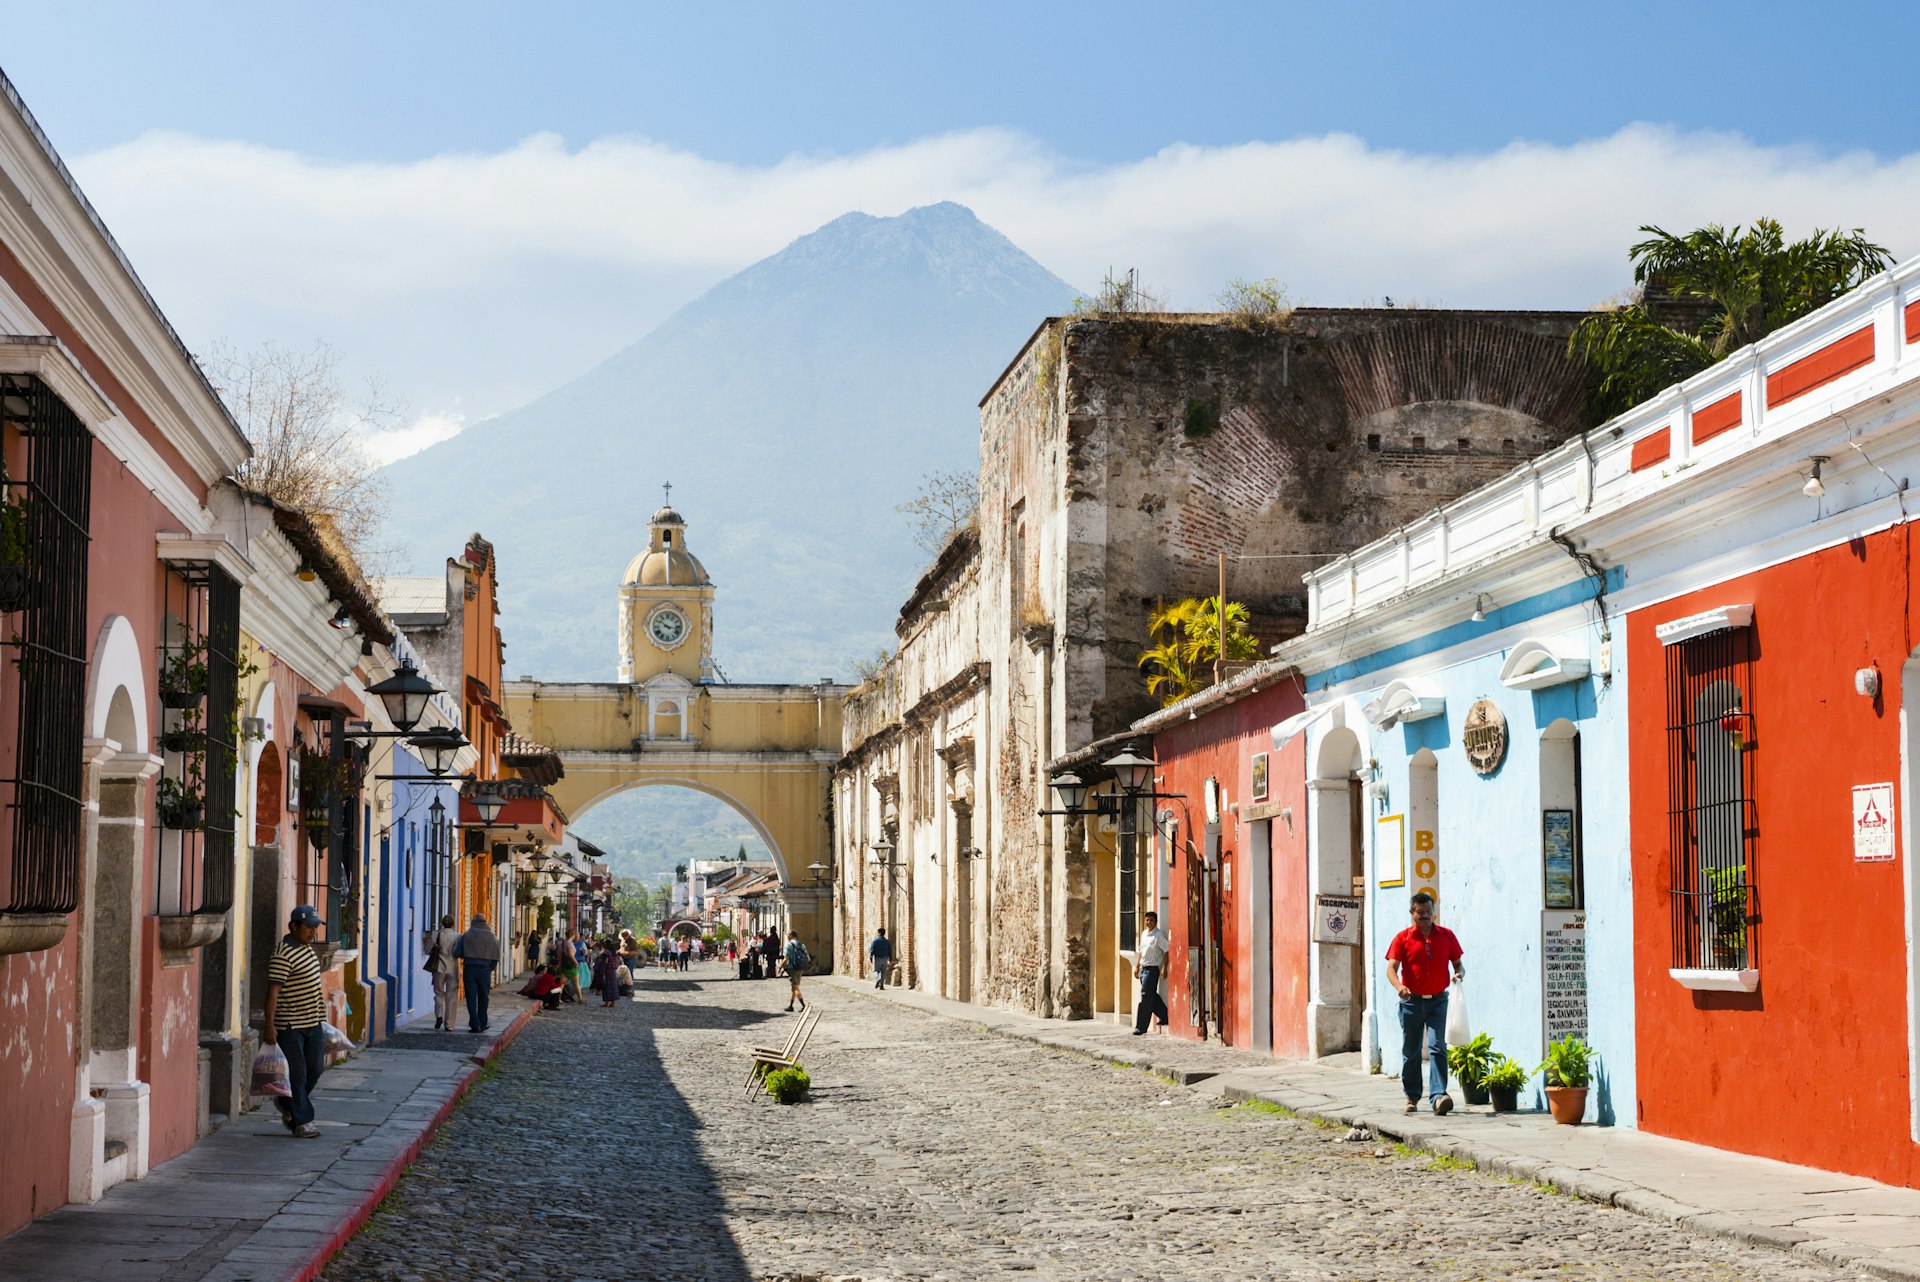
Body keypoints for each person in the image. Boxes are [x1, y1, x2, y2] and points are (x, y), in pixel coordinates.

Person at [1386, 891, 1465, 1116]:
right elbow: (1391, 969)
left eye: (1429, 912)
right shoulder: (1402, 938)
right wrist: (1399, 987)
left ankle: (1439, 1096)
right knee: (1411, 1051)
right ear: (1412, 913)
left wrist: (1458, 975)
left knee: (1437, 1046)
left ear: (1434, 912)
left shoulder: (1446, 936)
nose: (1425, 916)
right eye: (1420, 913)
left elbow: (1459, 964)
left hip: (1438, 1001)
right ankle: (1411, 1096)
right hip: (1411, 1002)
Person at [264, 904, 327, 1139]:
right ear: (294, 926)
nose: (313, 932)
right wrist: (269, 1025)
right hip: (290, 1024)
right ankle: (303, 1122)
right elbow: (272, 993)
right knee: (298, 1074)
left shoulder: (307, 949)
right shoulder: (283, 953)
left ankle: (286, 1102)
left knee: (315, 1069)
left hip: (313, 1022)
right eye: (309, 927)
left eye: (315, 927)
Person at [455, 913, 502, 1033]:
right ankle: (483, 1022)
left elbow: (457, 952)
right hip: (485, 969)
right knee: (483, 997)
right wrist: (489, 968)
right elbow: (496, 956)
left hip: (470, 968)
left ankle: (474, 1024)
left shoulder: (467, 935)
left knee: (471, 998)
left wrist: (468, 955)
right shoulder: (492, 936)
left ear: (473, 923)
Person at [1132, 911, 1170, 1036]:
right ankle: (1165, 1015)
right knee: (1151, 996)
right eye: (1147, 920)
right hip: (1144, 968)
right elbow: (1141, 951)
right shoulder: (1144, 934)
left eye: (1151, 920)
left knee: (1145, 997)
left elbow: (1166, 950)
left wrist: (1164, 967)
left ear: (1156, 922)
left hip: (1153, 969)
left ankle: (1141, 1026)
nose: (1149, 923)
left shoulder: (1158, 935)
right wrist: (1137, 966)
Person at [423, 913, 460, 1032]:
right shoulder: (457, 936)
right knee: (451, 995)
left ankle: (439, 1015)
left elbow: (427, 951)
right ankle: (449, 1024)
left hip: (439, 968)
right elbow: (459, 952)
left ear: (443, 924)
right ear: (453, 924)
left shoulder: (436, 934)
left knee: (438, 993)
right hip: (452, 968)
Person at [782, 930, 811, 1012]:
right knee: (794, 987)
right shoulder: (801, 945)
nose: (787, 936)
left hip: (792, 968)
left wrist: (780, 967)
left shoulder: (789, 945)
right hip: (800, 968)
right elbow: (808, 958)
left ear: (791, 935)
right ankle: (791, 1006)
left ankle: (804, 1006)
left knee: (795, 987)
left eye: (788, 935)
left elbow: (786, 959)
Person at [594, 938, 623, 1008]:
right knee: (613, 987)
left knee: (606, 987)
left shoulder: (606, 952)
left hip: (607, 971)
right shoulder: (614, 952)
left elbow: (606, 961)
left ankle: (607, 1003)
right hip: (613, 971)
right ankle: (613, 1003)